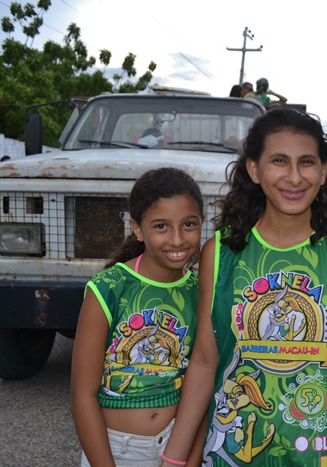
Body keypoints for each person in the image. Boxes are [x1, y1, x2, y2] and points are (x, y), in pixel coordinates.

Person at [161, 108, 327, 466]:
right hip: (232, 454)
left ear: (322, 172)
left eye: (306, 162)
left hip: (321, 455)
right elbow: (206, 362)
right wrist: (174, 459)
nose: (294, 177)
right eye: (279, 161)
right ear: (254, 170)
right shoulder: (220, 254)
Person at [70, 167, 204, 466]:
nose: (177, 239)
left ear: (201, 222)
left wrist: (188, 460)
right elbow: (82, 396)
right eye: (161, 226)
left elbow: (204, 386)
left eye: (189, 224)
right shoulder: (108, 289)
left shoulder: (201, 291)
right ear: (138, 229)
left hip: (177, 447)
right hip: (118, 450)